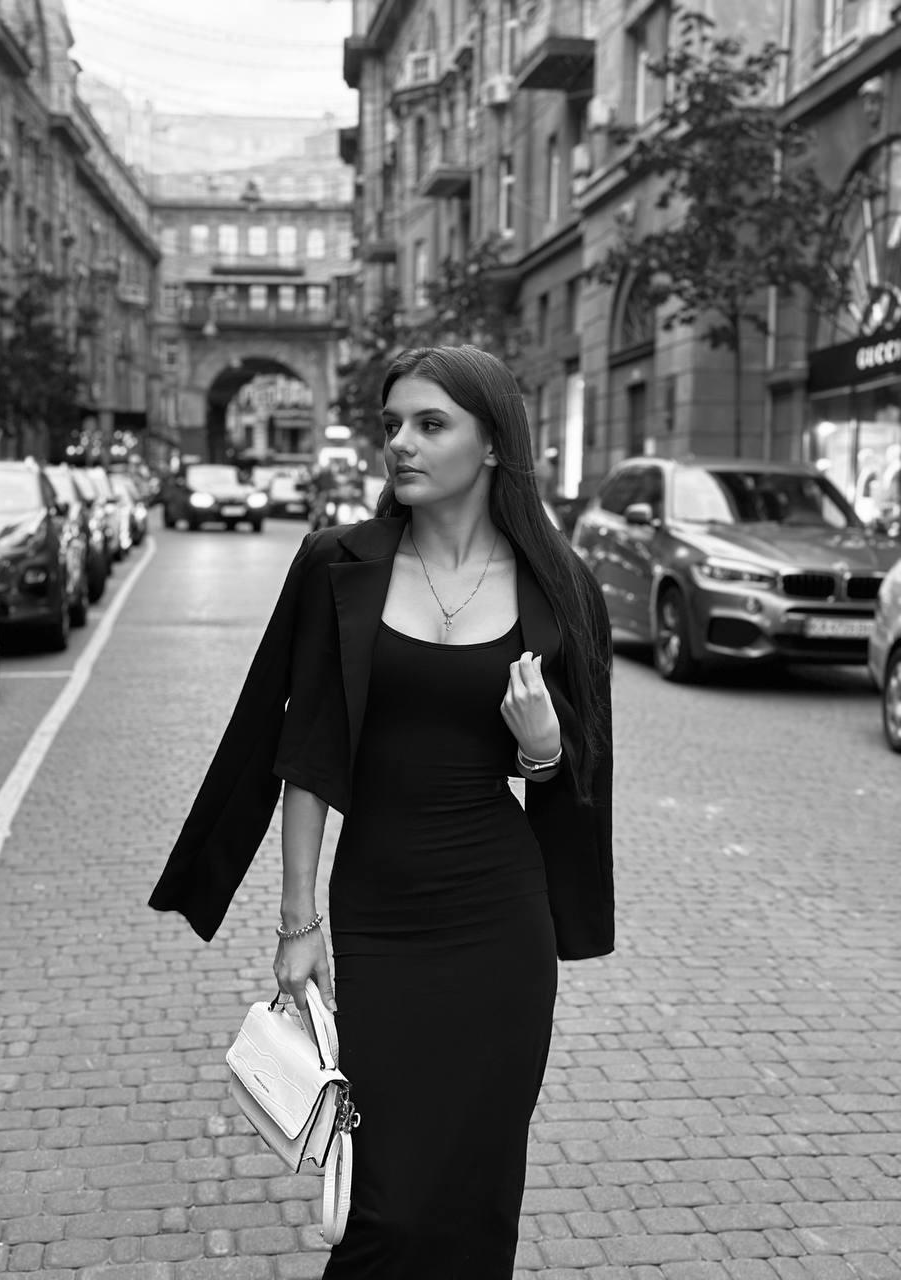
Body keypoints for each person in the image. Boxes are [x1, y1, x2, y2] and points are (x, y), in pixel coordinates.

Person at [149, 344, 614, 1279]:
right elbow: (307, 756)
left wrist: (542, 746)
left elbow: (575, 774)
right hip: (381, 911)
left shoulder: (559, 583)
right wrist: (298, 923)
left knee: (479, 1191)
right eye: (392, 423)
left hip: (501, 921)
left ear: (493, 444)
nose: (401, 442)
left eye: (430, 424)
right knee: (386, 1209)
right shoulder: (341, 563)